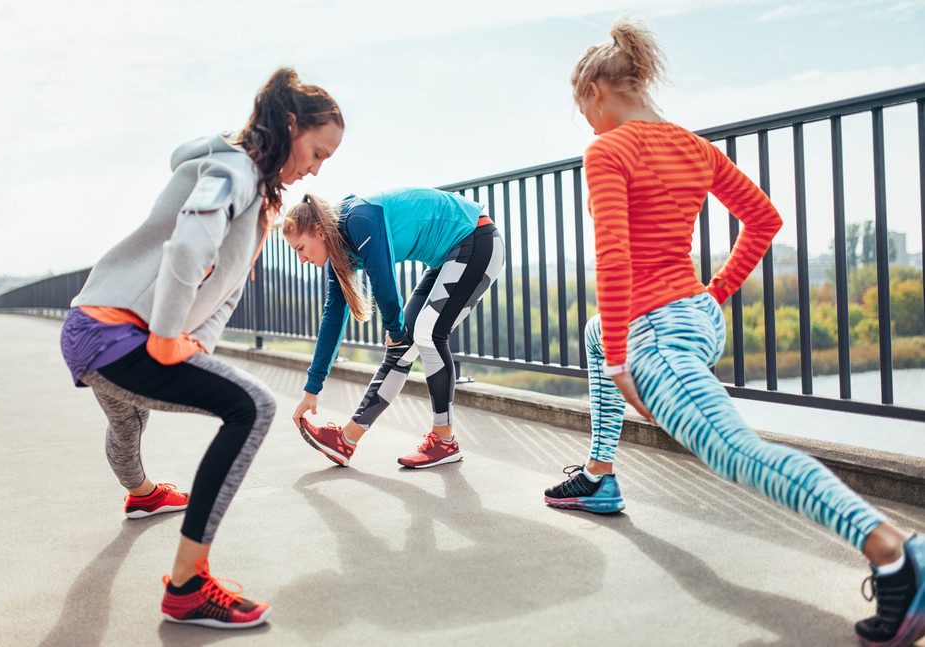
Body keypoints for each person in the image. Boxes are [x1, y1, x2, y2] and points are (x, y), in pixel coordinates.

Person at [542, 20, 924, 647]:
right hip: (693, 317)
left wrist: (619, 363)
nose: (586, 122)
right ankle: (600, 473)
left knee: (734, 452)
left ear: (597, 91)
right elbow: (764, 220)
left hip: (654, 335)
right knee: (593, 332)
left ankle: (896, 554)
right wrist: (713, 294)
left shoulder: (608, 151)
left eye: (582, 107)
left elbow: (612, 260)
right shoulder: (697, 149)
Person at [60, 67, 343, 628]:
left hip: (103, 331)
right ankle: (189, 586)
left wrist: (193, 347)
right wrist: (166, 337)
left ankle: (143, 496)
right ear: (290, 125)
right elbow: (188, 245)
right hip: (115, 332)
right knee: (255, 406)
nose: (315, 168)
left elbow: (220, 297)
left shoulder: (258, 194)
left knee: (139, 420)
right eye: (317, 151)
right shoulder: (234, 167)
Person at [284, 188, 504, 468]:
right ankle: (346, 440)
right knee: (401, 349)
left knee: (427, 333)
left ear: (318, 231)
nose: (301, 259)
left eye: (300, 248)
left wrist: (396, 330)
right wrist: (311, 389)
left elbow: (384, 282)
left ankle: (444, 441)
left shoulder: (358, 218)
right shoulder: (338, 253)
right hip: (447, 257)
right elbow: (332, 319)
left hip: (477, 239)